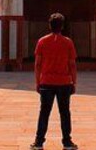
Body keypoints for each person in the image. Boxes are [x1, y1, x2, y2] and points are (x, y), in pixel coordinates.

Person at [30, 12, 78, 150]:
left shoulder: (42, 41)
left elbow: (38, 64)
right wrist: (74, 82)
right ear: (62, 26)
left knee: (44, 112)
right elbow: (72, 64)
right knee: (65, 113)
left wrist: (37, 82)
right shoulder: (68, 42)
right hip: (64, 83)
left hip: (46, 82)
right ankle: (67, 142)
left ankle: (39, 142)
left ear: (49, 26)